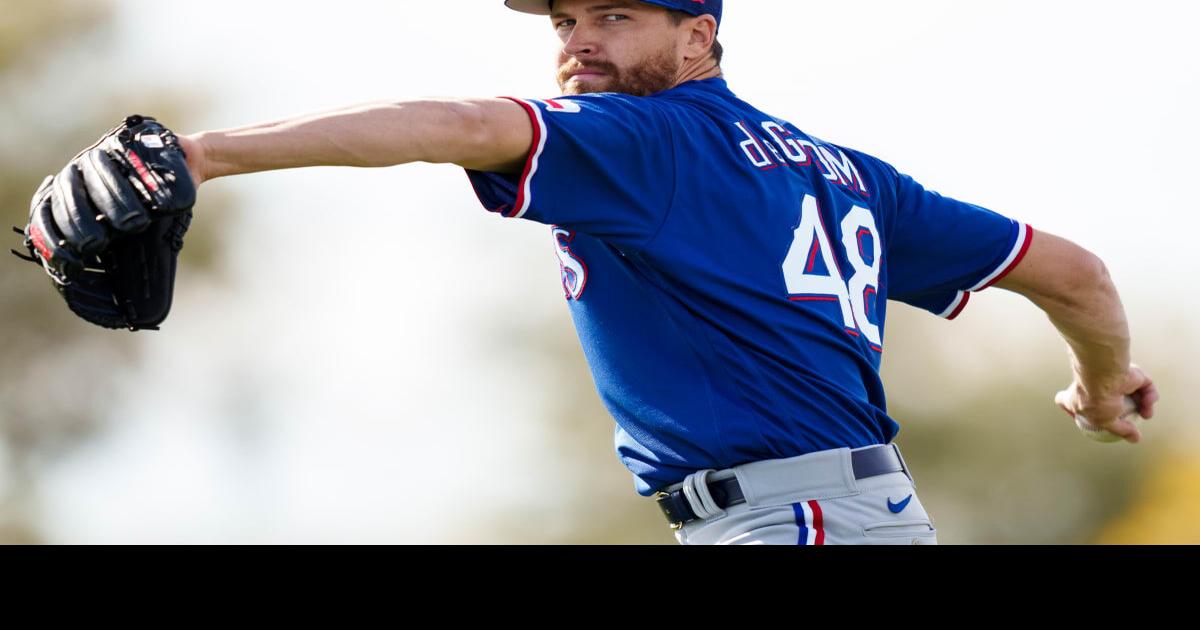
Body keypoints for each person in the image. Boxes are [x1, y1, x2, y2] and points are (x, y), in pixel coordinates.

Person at [173, 0, 1159, 544]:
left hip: (795, 522)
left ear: (698, 40)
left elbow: (465, 126)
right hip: (830, 516)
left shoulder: (649, 142)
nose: (580, 42)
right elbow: (1070, 272)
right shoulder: (850, 176)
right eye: (563, 20)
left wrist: (204, 154)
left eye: (616, 16)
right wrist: (1102, 382)